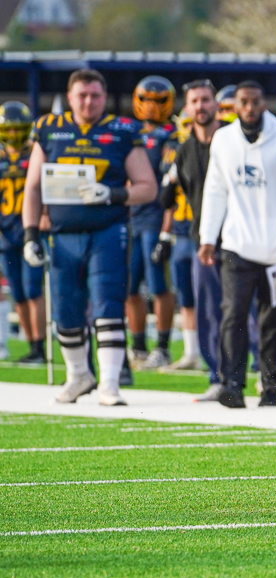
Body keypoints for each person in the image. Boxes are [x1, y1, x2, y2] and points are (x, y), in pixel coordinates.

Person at [22, 69, 158, 405]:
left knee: (108, 302)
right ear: (69, 98)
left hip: (107, 230)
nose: (88, 101)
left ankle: (110, 383)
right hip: (63, 233)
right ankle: (78, 375)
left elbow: (148, 188)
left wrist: (111, 194)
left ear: (104, 96)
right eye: (82, 95)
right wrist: (29, 235)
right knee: (66, 308)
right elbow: (33, 187)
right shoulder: (49, 128)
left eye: (95, 95)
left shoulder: (122, 131)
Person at [198, 80, 276, 409]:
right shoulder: (223, 140)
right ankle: (231, 384)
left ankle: (271, 388)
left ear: (265, 104)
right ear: (234, 106)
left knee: (275, 321)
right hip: (237, 244)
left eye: (255, 101)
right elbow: (215, 190)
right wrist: (208, 237)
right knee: (232, 315)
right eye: (243, 102)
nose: (249, 108)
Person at [164, 80, 228, 402]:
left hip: (237, 238)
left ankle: (253, 372)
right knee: (207, 309)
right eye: (194, 102)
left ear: (216, 103)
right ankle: (217, 376)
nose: (201, 106)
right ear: (187, 108)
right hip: (201, 239)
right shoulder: (184, 150)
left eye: (205, 100)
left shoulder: (234, 139)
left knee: (243, 309)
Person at [127, 76, 179, 370]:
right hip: (131, 218)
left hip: (157, 218)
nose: (151, 107)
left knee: (159, 286)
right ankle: (137, 347)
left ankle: (162, 346)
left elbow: (170, 187)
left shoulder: (172, 136)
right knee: (129, 287)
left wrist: (166, 232)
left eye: (159, 101)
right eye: (146, 99)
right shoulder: (130, 132)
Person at [0, 101, 46, 363]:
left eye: (19, 129)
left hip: (30, 230)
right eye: (10, 129)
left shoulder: (34, 153)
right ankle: (31, 345)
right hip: (6, 233)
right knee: (17, 292)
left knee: (33, 290)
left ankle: (40, 346)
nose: (14, 135)